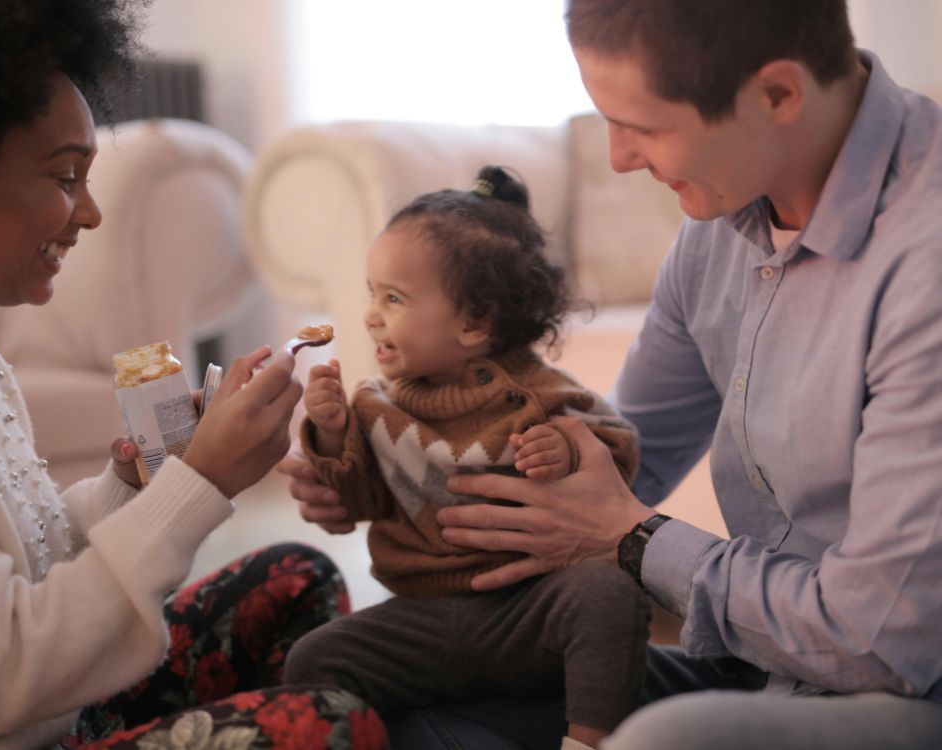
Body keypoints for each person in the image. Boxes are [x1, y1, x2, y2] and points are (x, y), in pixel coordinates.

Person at [281, 0, 942, 748]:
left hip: (896, 682)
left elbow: (880, 640)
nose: (618, 159)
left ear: (778, 95)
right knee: (383, 709)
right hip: (759, 660)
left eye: (644, 126)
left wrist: (634, 538)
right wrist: (379, 472)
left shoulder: (925, 262)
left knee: (662, 739)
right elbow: (627, 455)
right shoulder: (718, 229)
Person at [0, 2, 387, 749]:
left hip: (58, 716)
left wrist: (147, 480)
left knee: (293, 577)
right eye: (64, 176)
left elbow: (32, 560)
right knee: (333, 726)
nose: (89, 213)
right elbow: (1, 674)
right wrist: (200, 486)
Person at [282, 165, 650, 750]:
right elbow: (355, 503)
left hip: (531, 613)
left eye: (395, 298)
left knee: (608, 598)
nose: (372, 314)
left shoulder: (541, 394)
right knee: (315, 657)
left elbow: (617, 453)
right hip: (424, 620)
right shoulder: (375, 408)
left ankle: (587, 741)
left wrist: (566, 455)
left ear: (474, 322)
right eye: (372, 295)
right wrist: (327, 435)